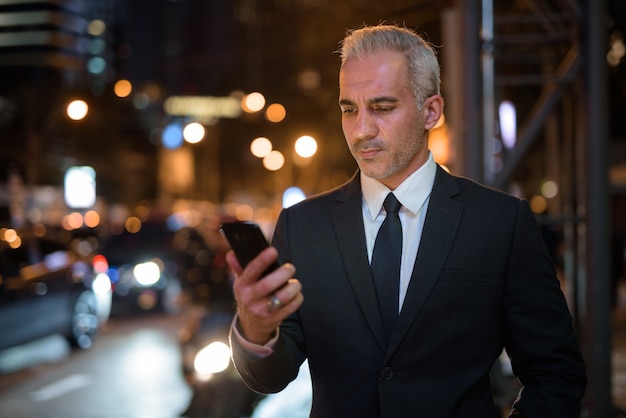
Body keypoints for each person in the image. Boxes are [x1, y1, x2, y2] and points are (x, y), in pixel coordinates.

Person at [227, 23, 587, 417]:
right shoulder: (302, 226)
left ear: (431, 110)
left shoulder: (500, 222)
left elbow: (556, 372)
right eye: (350, 109)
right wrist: (255, 330)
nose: (361, 129)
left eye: (382, 108)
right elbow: (271, 378)